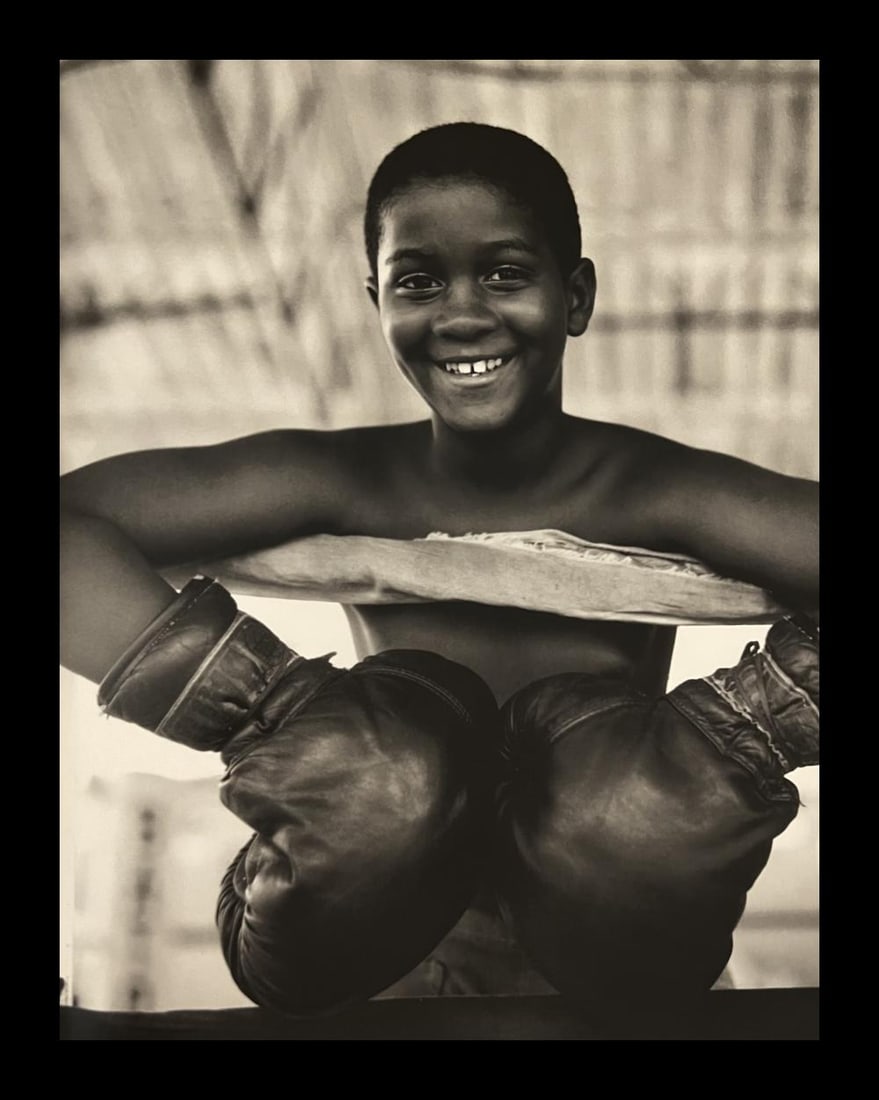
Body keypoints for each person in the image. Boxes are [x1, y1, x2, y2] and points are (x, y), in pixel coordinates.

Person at [60, 122, 819, 1018]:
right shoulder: (339, 476)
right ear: (376, 301)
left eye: (505, 273)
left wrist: (759, 722)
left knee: (627, 820)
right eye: (418, 282)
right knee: (376, 783)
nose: (461, 315)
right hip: (368, 930)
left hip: (620, 930)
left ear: (574, 296)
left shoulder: (655, 487)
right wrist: (265, 718)